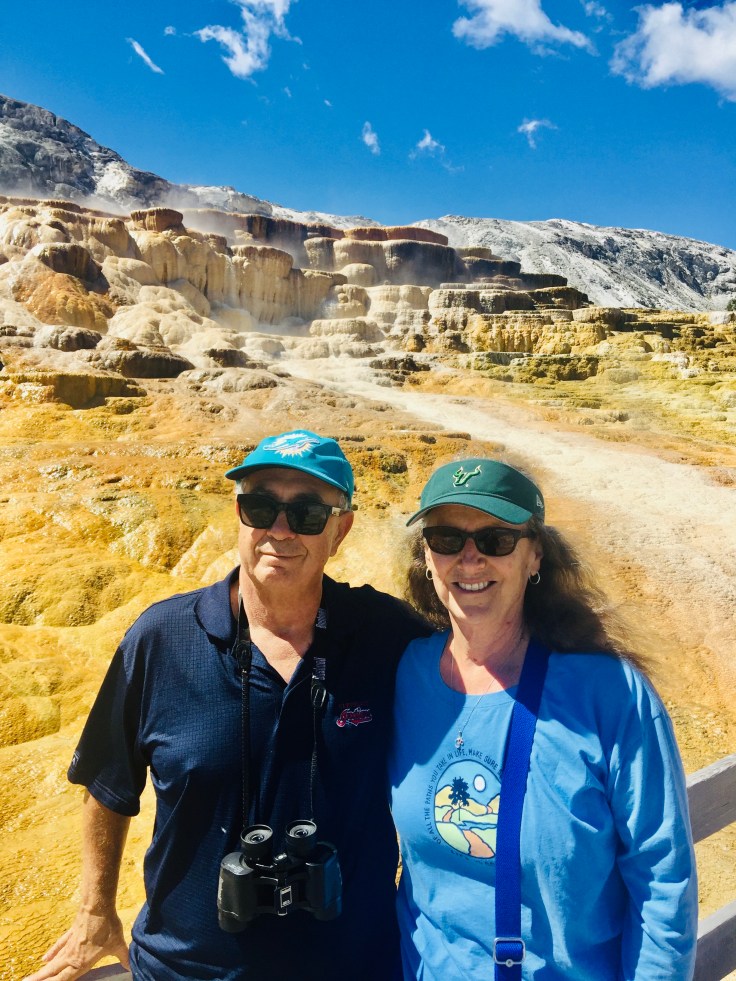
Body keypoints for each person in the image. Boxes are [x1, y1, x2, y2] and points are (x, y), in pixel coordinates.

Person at [25, 430, 429, 981]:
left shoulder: (388, 636)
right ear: (239, 514)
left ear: (341, 530)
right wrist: (95, 912)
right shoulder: (162, 638)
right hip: (184, 968)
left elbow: (480, 687)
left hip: (354, 966)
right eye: (260, 506)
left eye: (307, 513)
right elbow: (108, 783)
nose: (280, 530)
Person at [388, 457, 697, 980]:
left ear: (535, 556)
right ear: (426, 556)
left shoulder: (610, 695)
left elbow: (662, 881)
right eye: (446, 538)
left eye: (496, 540)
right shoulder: (407, 674)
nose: (469, 558)